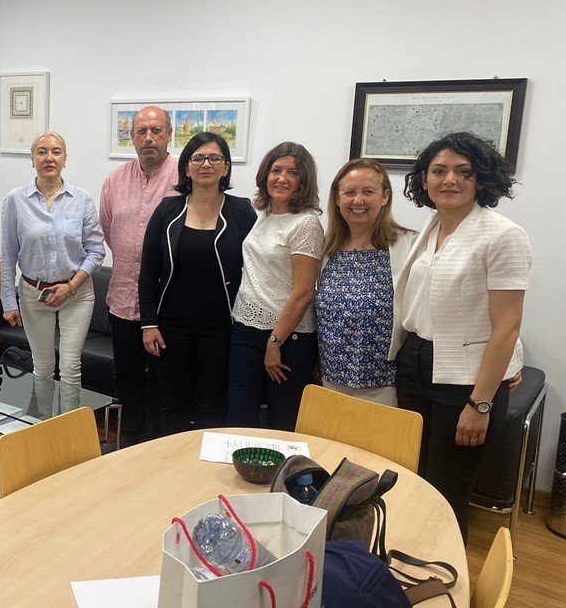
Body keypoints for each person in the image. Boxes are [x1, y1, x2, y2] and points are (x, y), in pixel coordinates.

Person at [390, 132, 531, 541]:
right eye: (439, 171)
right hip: (416, 361)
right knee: (416, 478)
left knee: (447, 493)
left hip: (465, 378)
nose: (449, 179)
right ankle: (407, 563)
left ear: (481, 178)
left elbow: (508, 326)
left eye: (463, 171)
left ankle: (446, 574)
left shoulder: (502, 235)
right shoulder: (432, 227)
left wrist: (481, 403)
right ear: (425, 179)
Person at [139, 132, 256, 434]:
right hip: (170, 327)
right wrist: (148, 324)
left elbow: (256, 269)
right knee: (171, 404)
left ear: (226, 167)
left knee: (212, 405)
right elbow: (149, 271)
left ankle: (204, 462)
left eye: (215, 158)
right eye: (198, 158)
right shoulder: (167, 210)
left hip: (221, 328)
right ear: (186, 168)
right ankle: (172, 459)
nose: (206, 164)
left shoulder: (241, 211)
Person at [0, 131, 105, 408]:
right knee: (43, 367)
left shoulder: (81, 199)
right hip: (34, 295)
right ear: (32, 159)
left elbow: (96, 250)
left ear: (65, 159)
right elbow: (7, 255)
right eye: (42, 151)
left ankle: (68, 429)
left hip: (76, 293)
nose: (49, 157)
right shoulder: (15, 200)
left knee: (70, 367)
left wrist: (70, 286)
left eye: (56, 152)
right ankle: (43, 425)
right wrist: (8, 302)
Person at [227, 142, 323, 431]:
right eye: (276, 170)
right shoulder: (265, 215)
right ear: (265, 176)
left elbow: (304, 292)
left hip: (288, 337)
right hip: (245, 329)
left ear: (303, 180)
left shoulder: (306, 224)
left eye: (292, 172)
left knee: (282, 422)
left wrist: (274, 342)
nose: (282, 178)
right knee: (238, 417)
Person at [99, 105, 179, 445]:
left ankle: (156, 450)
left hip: (165, 305)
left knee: (162, 382)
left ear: (169, 135)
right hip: (121, 301)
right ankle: (128, 445)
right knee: (127, 378)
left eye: (156, 131)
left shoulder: (184, 178)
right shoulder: (114, 180)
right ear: (131, 137)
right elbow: (108, 229)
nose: (148, 138)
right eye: (141, 131)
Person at [315, 159, 416, 405]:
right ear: (337, 199)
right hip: (332, 378)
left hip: (386, 383)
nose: (358, 200)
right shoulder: (326, 248)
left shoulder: (409, 246)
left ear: (385, 197)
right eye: (349, 192)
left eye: (368, 192)